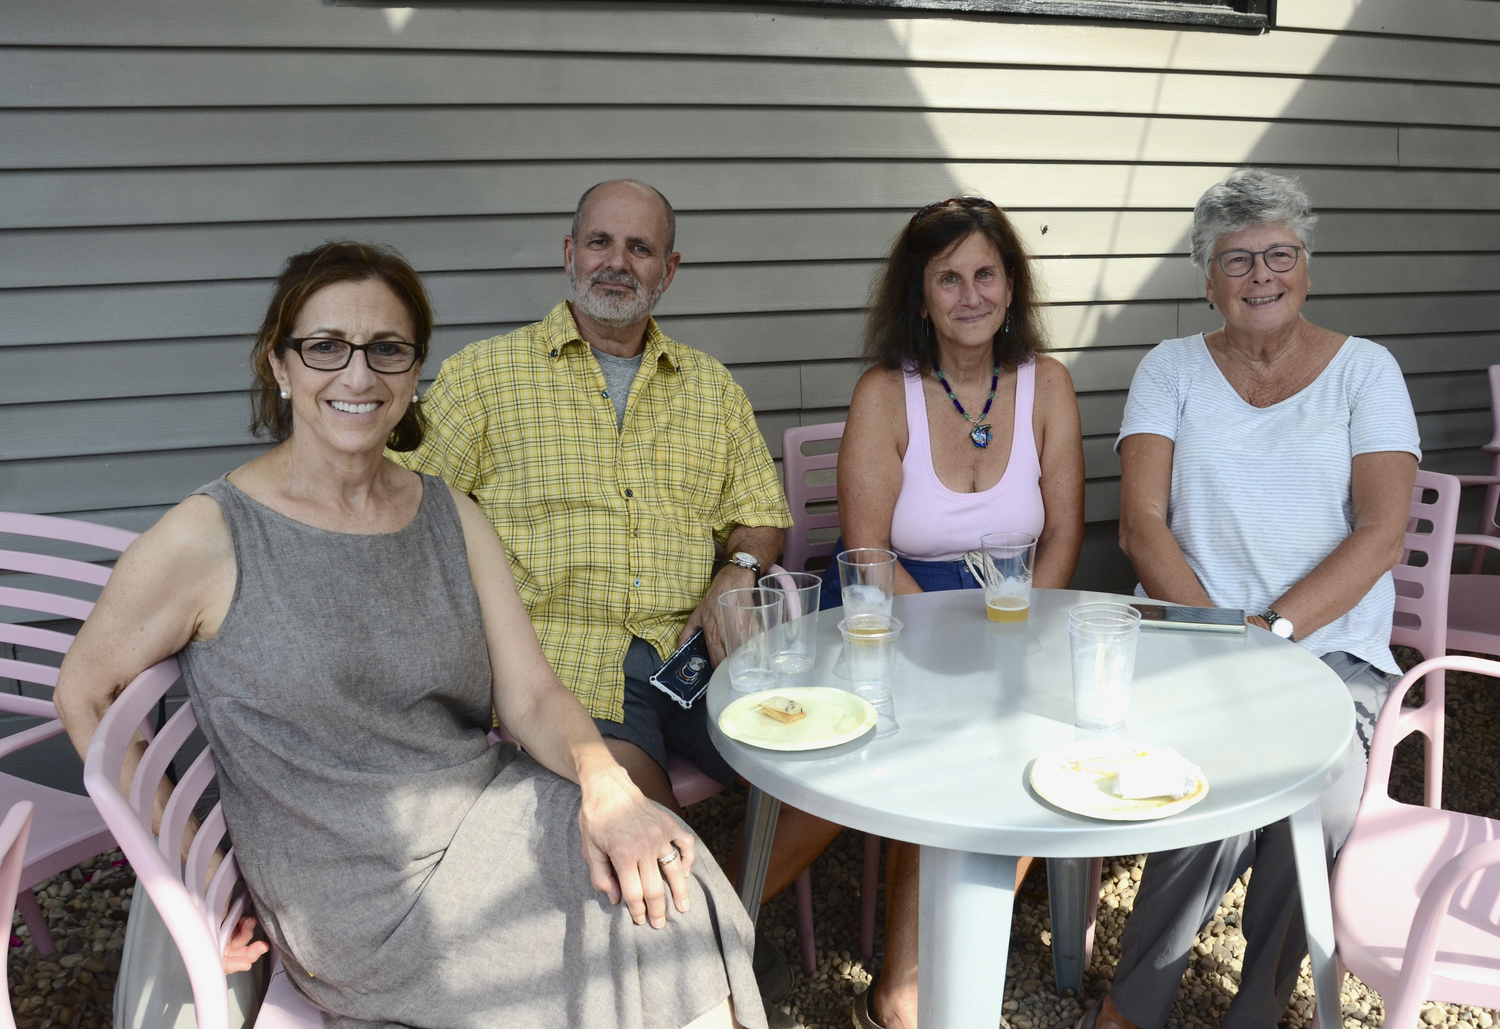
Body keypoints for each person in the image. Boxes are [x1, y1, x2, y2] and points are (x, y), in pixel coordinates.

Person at [53, 241, 766, 1029]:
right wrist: (185, 864)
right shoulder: (209, 535)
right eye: (326, 347)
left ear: (415, 370)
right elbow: (86, 690)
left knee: (672, 867)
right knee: (638, 923)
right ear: (279, 367)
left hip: (485, 810)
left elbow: (530, 693)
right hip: (358, 890)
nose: (358, 376)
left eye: (387, 349)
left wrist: (606, 789)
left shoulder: (447, 511)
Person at [392, 180, 840, 961]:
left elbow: (762, 510)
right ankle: (697, 937)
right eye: (600, 242)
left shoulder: (709, 386)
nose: (616, 263)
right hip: (573, 676)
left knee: (844, 770)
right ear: (569, 254)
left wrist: (739, 563)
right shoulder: (486, 379)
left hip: (700, 654)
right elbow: (402, 508)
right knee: (649, 846)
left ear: (669, 269)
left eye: (640, 248)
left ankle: (719, 908)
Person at [1083, 169, 1421, 1029]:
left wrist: (1272, 631)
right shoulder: (1171, 369)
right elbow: (1142, 526)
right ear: (1207, 279)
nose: (1260, 275)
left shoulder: (1365, 373)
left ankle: (1258, 1009)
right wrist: (1218, 636)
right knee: (1216, 778)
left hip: (1328, 649)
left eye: (1280, 253)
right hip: (1196, 635)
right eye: (1237, 259)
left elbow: (1382, 533)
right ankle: (1136, 1005)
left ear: (1306, 267)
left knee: (1323, 788)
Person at [837, 196, 1086, 1029]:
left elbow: (1065, 530)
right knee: (936, 749)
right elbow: (868, 552)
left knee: (1051, 742)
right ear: (920, 295)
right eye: (948, 277)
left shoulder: (1047, 384)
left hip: (1021, 610)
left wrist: (1018, 625)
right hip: (899, 613)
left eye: (985, 273)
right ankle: (901, 986)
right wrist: (954, 640)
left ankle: (963, 929)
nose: (969, 294)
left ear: (1011, 288)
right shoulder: (885, 392)